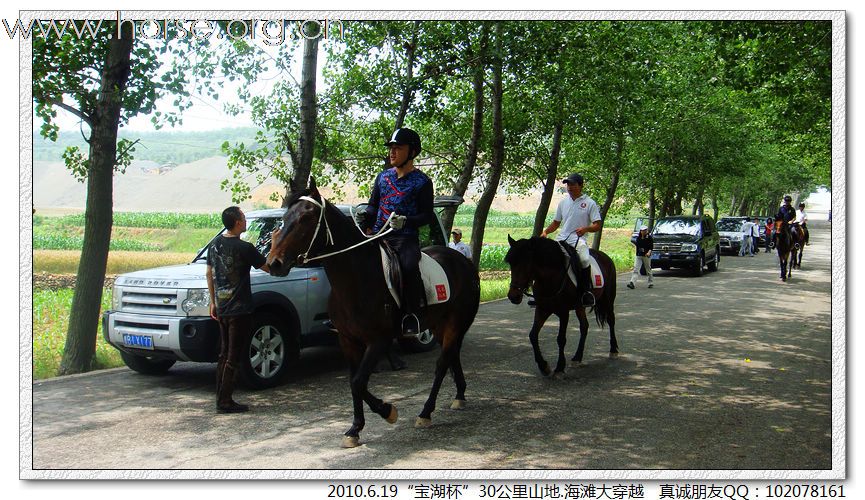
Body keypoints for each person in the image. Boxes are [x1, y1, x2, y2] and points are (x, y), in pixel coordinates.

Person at [365, 127, 434, 336]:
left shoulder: (422, 182)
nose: (392, 152)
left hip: (404, 239)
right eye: (391, 148)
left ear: (411, 152)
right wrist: (365, 219)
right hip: (378, 236)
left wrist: (406, 222)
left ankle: (412, 314)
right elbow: (373, 206)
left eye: (398, 148)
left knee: (409, 266)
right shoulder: (382, 178)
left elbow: (427, 215)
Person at [207, 206, 273, 414]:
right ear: (236, 222)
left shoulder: (214, 244)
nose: (245, 221)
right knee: (233, 355)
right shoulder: (245, 248)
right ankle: (225, 401)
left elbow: (209, 273)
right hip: (240, 308)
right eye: (243, 218)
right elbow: (268, 267)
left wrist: (213, 301)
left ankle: (220, 395)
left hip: (222, 306)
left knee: (224, 353)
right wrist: (276, 241)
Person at [540, 173, 602, 307]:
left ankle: (585, 292)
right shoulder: (563, 203)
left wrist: (585, 229)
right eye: (568, 184)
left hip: (578, 239)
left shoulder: (589, 203)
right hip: (561, 238)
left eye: (573, 184)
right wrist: (546, 231)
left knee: (585, 259)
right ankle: (541, 292)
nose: (569, 187)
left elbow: (597, 224)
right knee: (544, 258)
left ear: (581, 185)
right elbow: (556, 223)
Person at [627, 225, 654, 289]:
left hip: (646, 256)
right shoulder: (638, 238)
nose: (644, 232)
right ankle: (632, 283)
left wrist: (648, 253)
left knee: (648, 269)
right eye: (643, 231)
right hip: (639, 255)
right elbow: (637, 246)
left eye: (645, 230)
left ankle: (650, 282)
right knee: (636, 269)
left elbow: (651, 247)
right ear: (641, 231)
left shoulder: (649, 238)